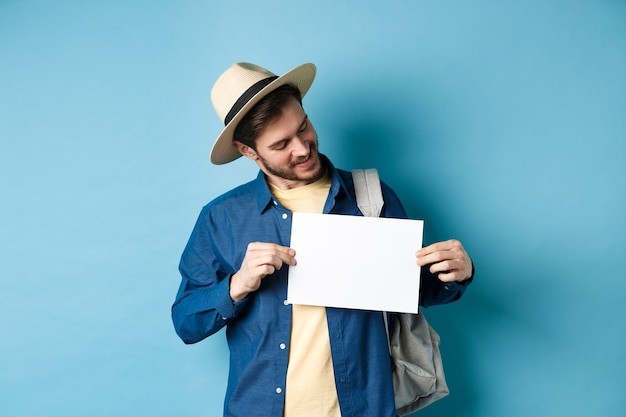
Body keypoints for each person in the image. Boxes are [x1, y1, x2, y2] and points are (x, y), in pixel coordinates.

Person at [172, 62, 474, 417]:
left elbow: (415, 291)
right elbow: (186, 323)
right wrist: (237, 285)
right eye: (281, 144)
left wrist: (457, 273)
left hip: (362, 408)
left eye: (304, 128)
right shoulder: (221, 218)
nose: (302, 148)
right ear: (248, 151)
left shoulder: (372, 197)